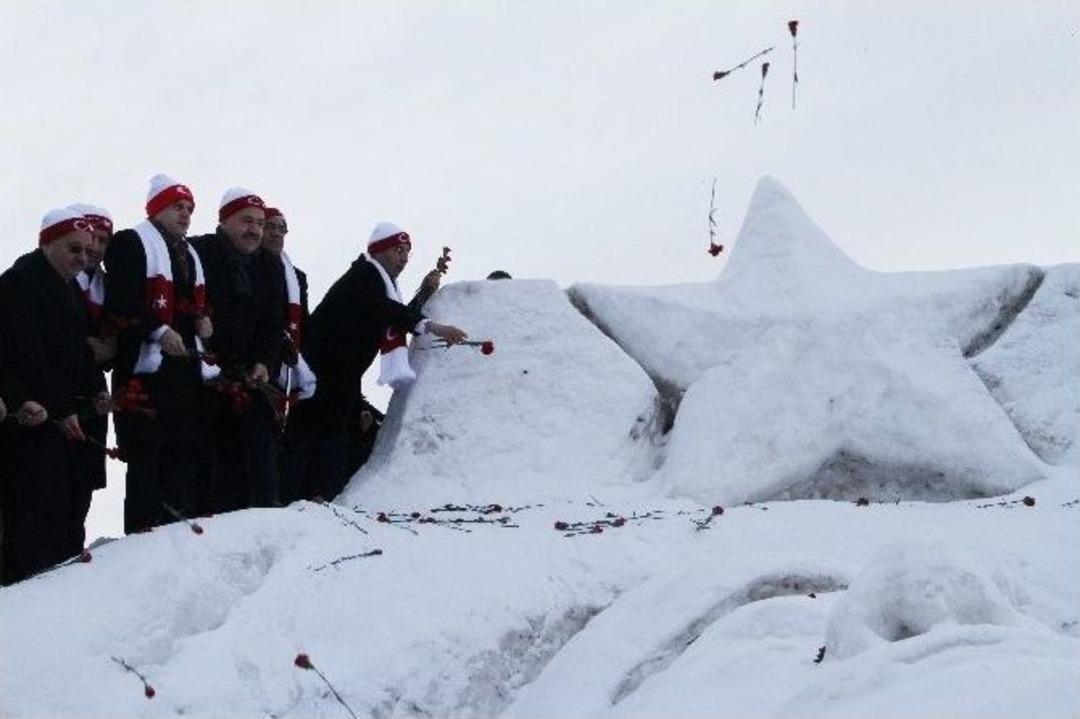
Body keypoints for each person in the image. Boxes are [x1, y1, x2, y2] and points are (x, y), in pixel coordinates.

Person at [300, 222, 467, 499]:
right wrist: (433, 327)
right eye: (397, 250)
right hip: (323, 378)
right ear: (378, 252)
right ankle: (312, 497)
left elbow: (392, 318)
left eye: (407, 252)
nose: (403, 258)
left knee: (341, 440)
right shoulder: (363, 276)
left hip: (342, 381)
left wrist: (424, 292)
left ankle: (322, 496)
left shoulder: (379, 284)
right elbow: (387, 311)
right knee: (318, 441)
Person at [104, 175, 217, 533]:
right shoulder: (130, 242)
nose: (185, 215)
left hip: (184, 375)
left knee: (181, 456)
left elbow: (195, 303)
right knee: (146, 461)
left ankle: (175, 532)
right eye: (177, 207)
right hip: (144, 373)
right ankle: (139, 538)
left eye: (189, 209)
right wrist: (157, 329)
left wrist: (204, 322)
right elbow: (120, 302)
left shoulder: (190, 253)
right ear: (155, 208)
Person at [0, 209, 98, 583]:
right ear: (48, 242)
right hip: (28, 416)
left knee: (64, 505)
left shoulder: (70, 289)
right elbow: (25, 354)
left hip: (59, 416)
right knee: (30, 512)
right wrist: (52, 405)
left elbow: (78, 353)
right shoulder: (19, 283)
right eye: (74, 248)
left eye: (87, 252)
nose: (82, 259)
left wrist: (93, 395)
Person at [190, 188, 285, 511]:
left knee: (258, 458)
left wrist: (264, 362)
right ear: (224, 220)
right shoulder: (198, 252)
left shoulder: (270, 265)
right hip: (203, 377)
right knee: (209, 467)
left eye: (260, 222)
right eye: (247, 220)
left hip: (249, 378)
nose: (255, 230)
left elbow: (274, 323)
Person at [66, 203, 116, 553]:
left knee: (82, 481)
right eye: (91, 238)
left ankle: (72, 545)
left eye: (103, 240)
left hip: (93, 390)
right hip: (58, 387)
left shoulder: (108, 285)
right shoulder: (56, 278)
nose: (96, 248)